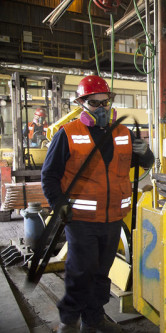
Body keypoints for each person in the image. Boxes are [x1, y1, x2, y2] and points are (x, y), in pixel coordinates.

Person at [41, 75, 154, 333]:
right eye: (95, 103)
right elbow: (49, 176)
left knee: (102, 272)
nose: (102, 109)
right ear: (82, 104)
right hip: (80, 219)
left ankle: (94, 320)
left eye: (106, 103)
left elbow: (143, 164)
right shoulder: (67, 134)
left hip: (113, 217)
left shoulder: (123, 134)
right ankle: (68, 322)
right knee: (81, 273)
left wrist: (144, 152)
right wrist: (59, 206)